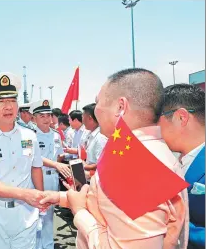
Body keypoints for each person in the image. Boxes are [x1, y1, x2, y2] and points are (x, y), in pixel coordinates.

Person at [40, 68, 189, 249]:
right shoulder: (145, 151)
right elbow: (110, 208)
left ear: (120, 107)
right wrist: (63, 198)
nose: (96, 111)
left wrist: (79, 212)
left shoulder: (134, 165)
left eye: (98, 103)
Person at [0, 72, 46, 249]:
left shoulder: (29, 135)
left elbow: (36, 168)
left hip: (26, 212)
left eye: (12, 101)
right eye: (1, 101)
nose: (8, 106)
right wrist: (25, 194)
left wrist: (41, 199)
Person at [158, 84, 205, 249]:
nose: (154, 128)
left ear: (181, 117)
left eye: (157, 120)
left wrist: (165, 226)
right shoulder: (171, 159)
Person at [30, 99, 65, 249]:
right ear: (34, 118)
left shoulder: (56, 135)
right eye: (42, 116)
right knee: (36, 214)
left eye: (48, 115)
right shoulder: (29, 135)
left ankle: (48, 245)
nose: (46, 119)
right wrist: (56, 164)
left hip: (52, 177)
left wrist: (58, 167)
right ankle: (37, 245)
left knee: (49, 214)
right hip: (37, 177)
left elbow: (59, 156)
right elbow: (33, 156)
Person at [80, 103, 107, 179]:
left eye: (82, 116)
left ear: (90, 118)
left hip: (95, 180)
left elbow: (102, 164)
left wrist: (86, 167)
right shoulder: (90, 134)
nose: (82, 120)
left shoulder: (100, 137)